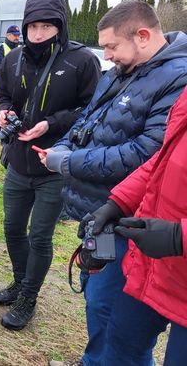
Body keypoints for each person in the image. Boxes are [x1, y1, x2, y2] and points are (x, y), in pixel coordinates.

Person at [40, 0, 187, 365]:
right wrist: (63, 145)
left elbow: (143, 152)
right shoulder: (121, 71)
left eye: (110, 47)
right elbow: (90, 120)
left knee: (109, 307)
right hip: (111, 212)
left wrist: (72, 162)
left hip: (139, 229)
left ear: (142, 36)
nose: (106, 56)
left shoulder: (177, 78)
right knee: (101, 306)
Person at [0, 0, 101, 331]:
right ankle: (20, 282)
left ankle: (29, 298)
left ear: (60, 26)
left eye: (46, 26)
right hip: (18, 160)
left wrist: (51, 124)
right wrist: (3, 109)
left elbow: (92, 109)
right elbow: (3, 91)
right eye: (33, 27)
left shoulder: (81, 60)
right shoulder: (15, 58)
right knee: (12, 228)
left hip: (55, 164)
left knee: (39, 235)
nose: (38, 34)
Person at [86, 86, 187, 366]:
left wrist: (180, 236)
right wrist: (117, 202)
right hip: (156, 264)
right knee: (120, 347)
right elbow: (164, 160)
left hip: (172, 247)